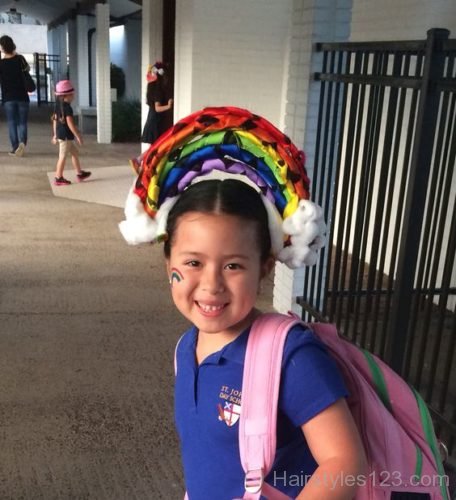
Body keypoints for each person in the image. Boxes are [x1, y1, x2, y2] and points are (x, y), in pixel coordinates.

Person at [119, 107, 366, 499]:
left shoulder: (292, 357)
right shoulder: (187, 348)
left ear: (265, 267)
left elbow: (345, 465)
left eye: (233, 265)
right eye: (193, 263)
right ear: (169, 263)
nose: (211, 284)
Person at [129, 62, 173, 174]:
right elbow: (158, 108)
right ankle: (139, 161)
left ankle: (144, 164)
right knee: (156, 147)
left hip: (153, 120)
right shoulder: (158, 91)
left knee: (156, 147)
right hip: (155, 122)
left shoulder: (152, 89)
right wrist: (168, 106)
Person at [51, 80, 91, 186]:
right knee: (62, 156)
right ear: (66, 95)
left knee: (74, 153)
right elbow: (70, 124)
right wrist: (78, 136)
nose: (73, 96)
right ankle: (58, 177)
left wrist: (55, 134)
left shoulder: (58, 105)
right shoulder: (67, 108)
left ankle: (79, 173)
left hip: (62, 135)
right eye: (72, 94)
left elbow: (54, 120)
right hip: (65, 137)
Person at [0, 35, 31, 157]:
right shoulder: (20, 59)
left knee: (12, 122)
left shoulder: (1, 63)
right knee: (22, 122)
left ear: (2, 48)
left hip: (8, 97)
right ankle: (22, 143)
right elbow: (27, 70)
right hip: (22, 96)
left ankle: (15, 147)